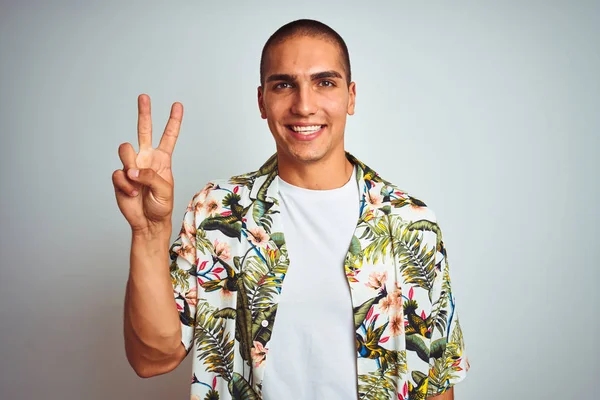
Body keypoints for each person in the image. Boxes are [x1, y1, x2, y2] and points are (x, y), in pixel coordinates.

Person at [113, 19, 469, 400]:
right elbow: (151, 358)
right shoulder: (216, 213)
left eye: (324, 83)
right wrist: (148, 235)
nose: (304, 105)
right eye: (284, 84)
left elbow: (434, 382)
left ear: (350, 97)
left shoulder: (411, 223)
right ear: (262, 101)